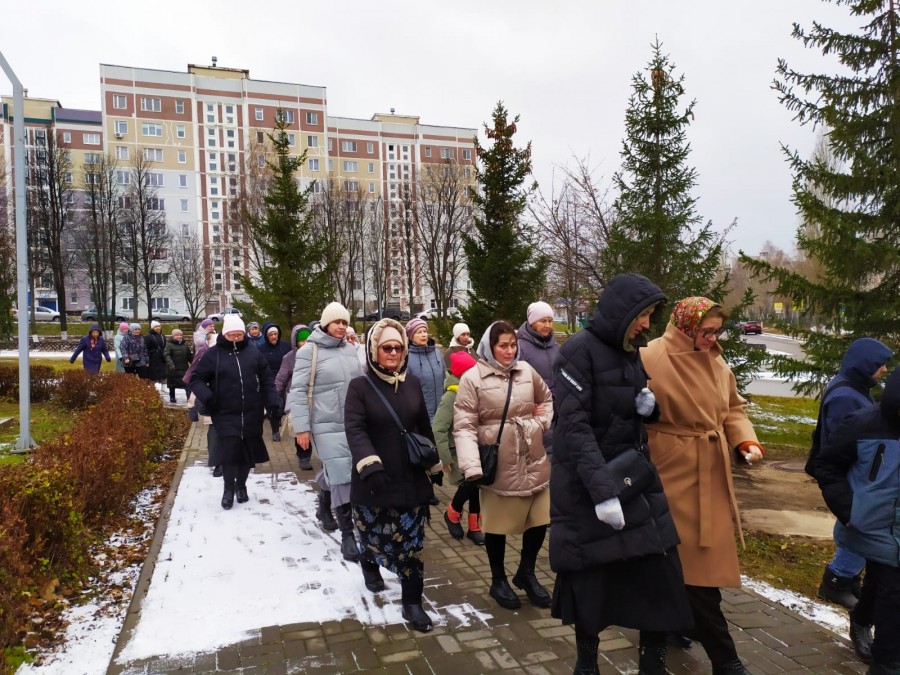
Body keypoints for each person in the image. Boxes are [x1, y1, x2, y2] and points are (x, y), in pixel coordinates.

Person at [549, 273, 693, 675]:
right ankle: (587, 666)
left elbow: (621, 410)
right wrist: (604, 493)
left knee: (660, 576)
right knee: (591, 580)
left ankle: (654, 666)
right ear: (621, 312)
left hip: (634, 481)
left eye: (650, 315)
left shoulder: (630, 350)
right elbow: (573, 428)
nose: (647, 324)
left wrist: (648, 408)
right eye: (642, 315)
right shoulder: (578, 352)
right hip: (590, 485)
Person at [642, 296, 764, 675]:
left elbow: (733, 408)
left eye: (717, 332)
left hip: (708, 473)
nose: (713, 339)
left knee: (687, 570)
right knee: (687, 573)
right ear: (686, 327)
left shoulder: (715, 361)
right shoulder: (651, 357)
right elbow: (624, 409)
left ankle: (668, 636)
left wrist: (745, 440)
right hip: (670, 474)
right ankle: (725, 661)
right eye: (707, 332)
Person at [344, 318, 443, 633]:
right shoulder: (359, 387)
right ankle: (369, 564)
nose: (393, 353)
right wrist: (370, 465)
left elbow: (423, 425)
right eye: (386, 347)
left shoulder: (411, 383)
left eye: (398, 348)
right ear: (374, 350)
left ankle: (412, 603)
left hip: (410, 480)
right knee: (372, 536)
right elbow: (355, 429)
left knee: (412, 544)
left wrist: (434, 464)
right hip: (374, 480)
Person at [454, 320, 554, 611]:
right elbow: (464, 426)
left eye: (513, 345)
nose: (509, 351)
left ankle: (526, 572)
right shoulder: (473, 379)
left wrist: (541, 422)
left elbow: (547, 399)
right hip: (498, 463)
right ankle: (498, 579)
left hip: (532, 458)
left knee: (540, 520)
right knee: (496, 526)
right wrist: (472, 466)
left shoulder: (527, 371)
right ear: (490, 347)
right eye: (503, 346)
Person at [815, 367, 900, 675]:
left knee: (882, 585)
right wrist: (849, 510)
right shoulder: (863, 424)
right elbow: (825, 465)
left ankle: (862, 618)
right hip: (872, 526)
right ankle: (886, 663)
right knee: (893, 597)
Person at [805, 338, 893, 611]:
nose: (884, 370)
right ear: (865, 364)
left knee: (862, 522)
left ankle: (848, 578)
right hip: (853, 473)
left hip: (857, 471)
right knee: (860, 523)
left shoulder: (854, 388)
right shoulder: (846, 396)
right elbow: (842, 441)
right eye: (880, 364)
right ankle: (838, 579)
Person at [288, 303, 362, 559]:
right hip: (324, 424)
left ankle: (323, 506)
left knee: (343, 469)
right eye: (336, 322)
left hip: (352, 422)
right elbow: (298, 391)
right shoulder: (309, 352)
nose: (341, 326)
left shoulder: (351, 350)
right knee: (342, 474)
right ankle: (347, 535)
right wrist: (302, 428)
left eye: (345, 322)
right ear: (326, 323)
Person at [190, 314, 279, 509]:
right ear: (225, 334)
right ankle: (228, 489)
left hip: (252, 411)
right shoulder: (213, 354)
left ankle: (241, 486)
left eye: (240, 335)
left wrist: (272, 400)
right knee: (230, 452)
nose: (237, 338)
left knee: (246, 452)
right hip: (224, 411)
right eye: (232, 335)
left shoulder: (253, 353)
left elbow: (267, 379)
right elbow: (196, 379)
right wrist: (208, 396)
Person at [432, 350, 483, 545]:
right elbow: (438, 428)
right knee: (470, 484)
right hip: (458, 451)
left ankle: (474, 527)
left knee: (477, 485)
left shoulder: (474, 391)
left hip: (476, 446)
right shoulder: (451, 397)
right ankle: (452, 512)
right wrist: (445, 458)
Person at [517, 301, 561, 455]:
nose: (547, 325)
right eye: (543, 321)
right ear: (532, 322)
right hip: (535, 414)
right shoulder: (520, 347)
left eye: (550, 321)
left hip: (558, 413)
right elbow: (516, 383)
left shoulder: (556, 347)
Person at [274, 324, 312, 469]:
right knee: (300, 428)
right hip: (297, 397)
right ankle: (304, 456)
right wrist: (275, 396)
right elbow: (281, 378)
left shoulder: (318, 354)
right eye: (302, 340)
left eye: (308, 340)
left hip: (315, 397)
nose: (305, 343)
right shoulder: (289, 358)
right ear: (295, 341)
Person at [404, 318, 444, 421]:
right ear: (411, 337)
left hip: (441, 412)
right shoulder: (406, 357)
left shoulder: (437, 353)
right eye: (419, 332)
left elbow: (444, 379)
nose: (424, 335)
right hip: (421, 415)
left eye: (425, 331)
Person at [260, 322, 291, 441]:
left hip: (285, 380)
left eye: (275, 334)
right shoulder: (261, 349)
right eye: (271, 335)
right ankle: (275, 430)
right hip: (269, 382)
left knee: (282, 406)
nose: (273, 337)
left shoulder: (285, 346)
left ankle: (278, 418)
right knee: (273, 406)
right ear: (266, 336)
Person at [163, 328, 193, 403]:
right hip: (173, 368)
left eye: (180, 335)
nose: (179, 336)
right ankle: (172, 396)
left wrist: (193, 363)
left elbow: (189, 356)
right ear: (173, 336)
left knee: (186, 383)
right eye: (177, 335)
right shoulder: (169, 344)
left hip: (183, 368)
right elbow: (166, 355)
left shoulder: (185, 345)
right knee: (172, 384)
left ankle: (188, 397)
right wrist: (171, 364)